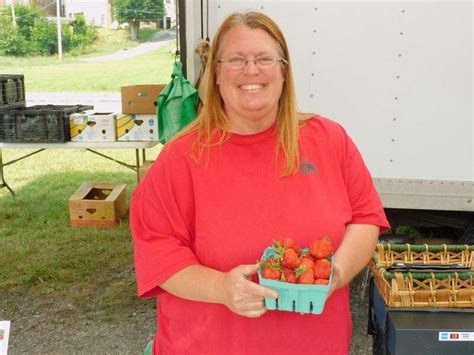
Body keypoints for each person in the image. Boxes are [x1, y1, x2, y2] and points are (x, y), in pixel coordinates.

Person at [130, 11, 390, 355]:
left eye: (264, 59)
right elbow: (158, 255)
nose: (251, 70)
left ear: (283, 72)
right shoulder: (181, 158)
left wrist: (335, 274)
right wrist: (221, 287)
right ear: (217, 75)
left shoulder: (329, 139)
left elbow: (365, 218)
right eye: (236, 59)